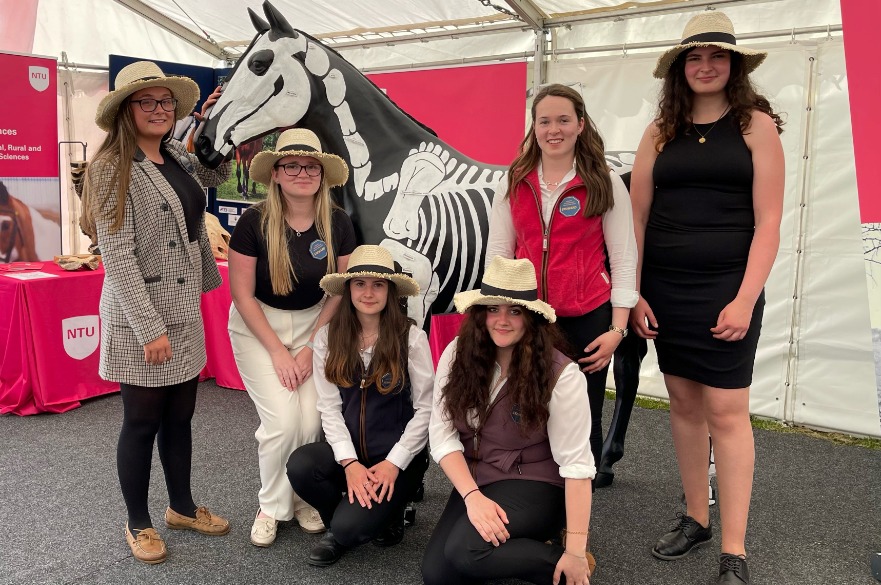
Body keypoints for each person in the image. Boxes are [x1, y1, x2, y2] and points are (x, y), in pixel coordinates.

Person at [629, 12, 784, 585]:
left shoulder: (755, 126)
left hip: (728, 288)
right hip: (666, 289)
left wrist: (746, 299)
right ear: (680, 68)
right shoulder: (660, 130)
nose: (705, 66)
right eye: (695, 58)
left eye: (716, 57)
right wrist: (637, 293)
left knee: (727, 412)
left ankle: (734, 551)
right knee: (685, 406)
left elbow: (768, 222)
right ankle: (697, 517)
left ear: (734, 65)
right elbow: (638, 218)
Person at [81, 60, 231, 565]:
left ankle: (182, 507)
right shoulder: (109, 169)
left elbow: (214, 172)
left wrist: (213, 128)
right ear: (126, 110)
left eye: (165, 102)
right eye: (147, 101)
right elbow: (117, 256)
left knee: (181, 417)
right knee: (141, 422)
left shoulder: (174, 157)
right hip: (138, 317)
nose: (159, 109)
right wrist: (149, 329)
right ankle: (138, 521)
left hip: (183, 309)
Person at [485, 83, 638, 468]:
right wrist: (500, 313)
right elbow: (499, 254)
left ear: (581, 124)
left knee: (584, 410)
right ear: (534, 128)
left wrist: (617, 331)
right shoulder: (513, 181)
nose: (554, 130)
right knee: (526, 404)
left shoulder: (605, 181)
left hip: (589, 317)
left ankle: (579, 503)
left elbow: (623, 258)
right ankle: (533, 486)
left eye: (564, 120)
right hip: (529, 314)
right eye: (545, 121)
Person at [423, 256, 595, 585]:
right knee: (438, 575)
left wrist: (575, 549)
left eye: (514, 311)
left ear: (530, 317)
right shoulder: (456, 353)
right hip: (477, 480)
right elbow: (442, 437)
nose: (502, 320)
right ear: (480, 314)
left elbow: (576, 467)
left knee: (466, 552)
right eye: (493, 308)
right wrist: (473, 498)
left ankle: (563, 563)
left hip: (535, 483)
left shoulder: (562, 374)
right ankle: (519, 547)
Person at [227, 127, 356, 547]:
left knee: (312, 419)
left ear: (322, 174)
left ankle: (301, 501)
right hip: (258, 326)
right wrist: (281, 354)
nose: (303, 172)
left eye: (311, 166)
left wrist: (311, 345)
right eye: (292, 165)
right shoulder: (252, 222)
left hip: (317, 324)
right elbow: (242, 296)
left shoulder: (338, 222)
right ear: (276, 174)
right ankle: (270, 506)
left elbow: (341, 291)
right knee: (282, 423)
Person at [285, 245, 433, 566]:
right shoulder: (327, 337)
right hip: (350, 453)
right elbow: (329, 408)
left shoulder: (411, 338)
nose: (368, 292)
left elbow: (427, 410)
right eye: (360, 283)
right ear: (348, 289)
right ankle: (336, 524)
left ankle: (387, 513)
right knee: (301, 466)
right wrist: (349, 463)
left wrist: (395, 462)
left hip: (396, 460)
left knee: (352, 529)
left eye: (378, 284)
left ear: (390, 291)